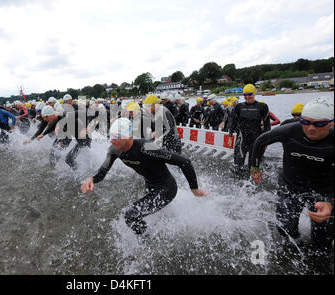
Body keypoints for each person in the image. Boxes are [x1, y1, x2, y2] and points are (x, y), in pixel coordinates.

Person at [80, 118, 208, 240]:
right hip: (150, 187)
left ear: (128, 137)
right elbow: (103, 171)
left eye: (117, 137)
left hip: (167, 188)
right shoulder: (114, 150)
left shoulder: (146, 147)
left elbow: (184, 162)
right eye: (111, 136)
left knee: (131, 215)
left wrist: (194, 189)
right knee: (139, 215)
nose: (112, 140)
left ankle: (146, 244)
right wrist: (92, 179)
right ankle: (152, 235)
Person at [250, 97, 334, 252]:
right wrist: (255, 167)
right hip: (290, 186)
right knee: (285, 229)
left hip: (324, 191)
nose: (310, 128)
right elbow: (260, 141)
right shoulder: (290, 130)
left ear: (331, 122)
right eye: (305, 121)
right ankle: (297, 245)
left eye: (319, 124)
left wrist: (330, 202)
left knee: (323, 242)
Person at [229, 84, 270, 170]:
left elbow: (267, 125)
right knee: (238, 163)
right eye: (245, 95)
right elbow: (233, 121)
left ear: (254, 93)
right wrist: (230, 135)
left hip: (256, 137)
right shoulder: (239, 107)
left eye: (249, 94)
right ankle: (238, 180)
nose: (247, 97)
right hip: (242, 137)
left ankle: (251, 180)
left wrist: (266, 139)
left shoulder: (262, 106)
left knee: (253, 164)